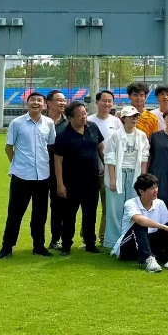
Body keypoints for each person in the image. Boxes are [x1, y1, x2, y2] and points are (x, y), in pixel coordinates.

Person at [0, 91, 57, 259]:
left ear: (44, 105)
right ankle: (7, 247)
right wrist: (16, 165)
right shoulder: (17, 123)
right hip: (21, 176)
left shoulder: (49, 123)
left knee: (40, 215)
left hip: (42, 176)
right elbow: (8, 147)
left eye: (39, 100)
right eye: (32, 100)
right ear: (27, 103)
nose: (36, 103)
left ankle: (39, 246)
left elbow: (51, 146)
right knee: (15, 214)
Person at [53, 101, 105, 255]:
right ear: (70, 118)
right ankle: (66, 245)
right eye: (79, 115)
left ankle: (90, 243)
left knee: (90, 213)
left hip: (92, 181)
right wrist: (60, 184)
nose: (83, 117)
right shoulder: (63, 136)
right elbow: (58, 160)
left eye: (85, 113)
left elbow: (101, 149)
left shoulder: (93, 127)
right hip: (71, 182)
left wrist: (106, 168)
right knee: (69, 215)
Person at [111, 173, 168, 273]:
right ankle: (148, 259)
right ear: (141, 191)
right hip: (128, 246)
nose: (156, 190)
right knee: (140, 225)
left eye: (156, 187)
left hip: (149, 243)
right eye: (151, 188)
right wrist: (164, 227)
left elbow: (166, 226)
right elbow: (140, 220)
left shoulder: (160, 203)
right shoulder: (130, 203)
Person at [103, 105, 150, 249]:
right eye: (130, 117)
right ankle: (112, 241)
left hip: (134, 174)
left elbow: (144, 158)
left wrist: (142, 178)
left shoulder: (141, 135)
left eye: (136, 117)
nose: (134, 120)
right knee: (114, 209)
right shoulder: (115, 135)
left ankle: (130, 240)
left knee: (132, 208)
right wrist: (112, 179)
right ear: (123, 119)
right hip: (118, 174)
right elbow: (110, 158)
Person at [89, 89, 123, 246]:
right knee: (89, 206)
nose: (107, 104)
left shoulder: (116, 122)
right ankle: (87, 237)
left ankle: (103, 237)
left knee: (107, 205)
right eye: (104, 100)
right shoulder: (89, 121)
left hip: (109, 171)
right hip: (90, 170)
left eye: (110, 101)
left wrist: (110, 168)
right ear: (97, 102)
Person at [45, 89, 68, 250]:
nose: (62, 102)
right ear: (48, 103)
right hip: (39, 171)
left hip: (61, 172)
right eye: (59, 100)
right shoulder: (40, 122)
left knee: (59, 206)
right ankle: (38, 242)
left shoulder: (68, 124)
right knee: (39, 208)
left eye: (63, 100)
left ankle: (56, 239)